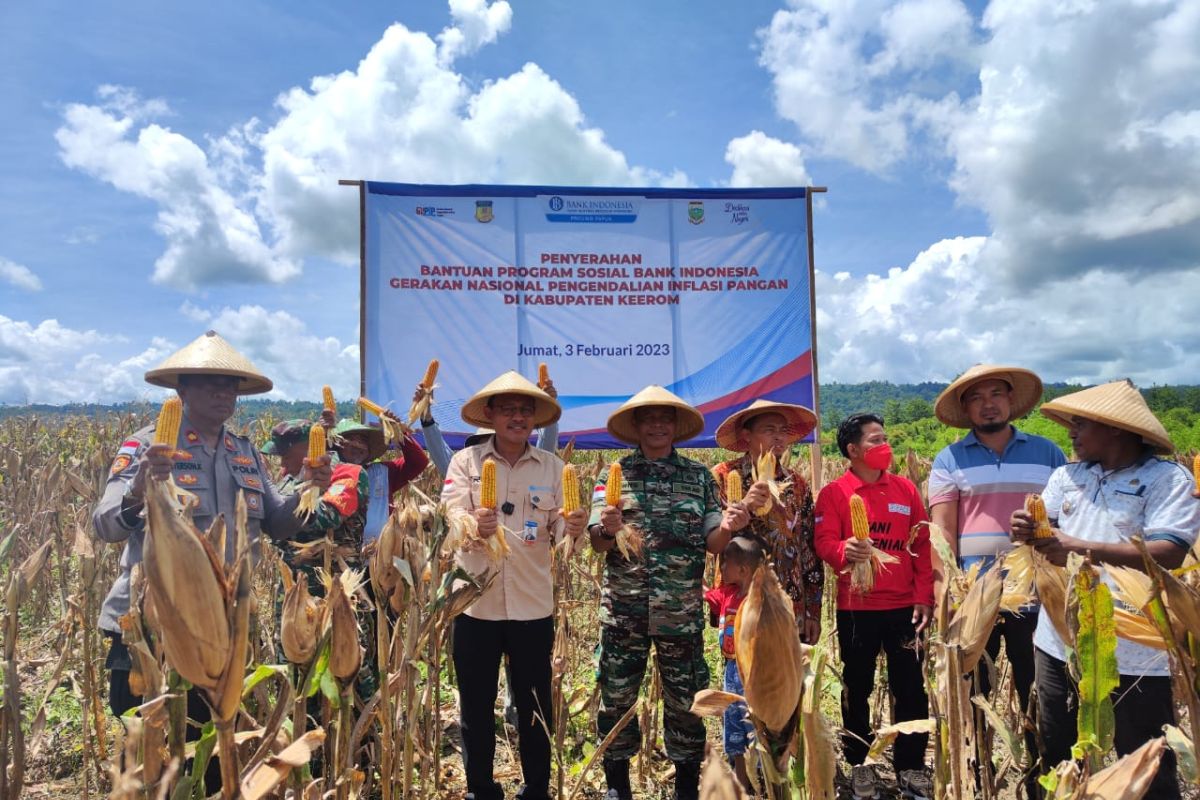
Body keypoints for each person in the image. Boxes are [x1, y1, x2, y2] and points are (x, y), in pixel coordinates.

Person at [92, 331, 331, 788]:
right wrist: (141, 488)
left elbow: (279, 525)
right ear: (181, 390)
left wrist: (307, 486)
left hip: (222, 627)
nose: (224, 393)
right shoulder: (145, 447)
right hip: (149, 627)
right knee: (143, 762)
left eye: (230, 385)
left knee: (210, 753)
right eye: (209, 384)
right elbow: (105, 525)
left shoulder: (246, 453)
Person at [1010, 380, 1199, 800]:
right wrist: (1028, 527)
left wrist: (1080, 549)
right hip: (1058, 638)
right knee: (1055, 751)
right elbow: (1049, 529)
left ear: (1114, 427)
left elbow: (1169, 550)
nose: (1071, 432)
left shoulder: (1166, 479)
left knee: (1144, 762)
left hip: (1134, 646)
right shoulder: (1066, 475)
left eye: (1080, 424)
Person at [589, 385, 758, 800]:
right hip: (623, 613)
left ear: (676, 427)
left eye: (666, 418)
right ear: (637, 426)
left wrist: (733, 525)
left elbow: (715, 543)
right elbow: (596, 541)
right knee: (616, 698)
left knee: (686, 703)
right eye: (649, 418)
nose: (658, 425)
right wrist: (607, 530)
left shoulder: (698, 477)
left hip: (680, 614)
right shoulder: (614, 474)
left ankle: (686, 788)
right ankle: (617, 788)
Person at [441, 371, 587, 800]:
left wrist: (573, 526)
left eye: (526, 410)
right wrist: (472, 524)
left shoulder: (553, 467)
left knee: (535, 709)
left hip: (532, 608)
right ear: (490, 415)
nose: (517, 418)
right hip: (475, 607)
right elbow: (449, 517)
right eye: (508, 409)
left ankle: (536, 789)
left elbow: (561, 533)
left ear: (536, 419)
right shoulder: (464, 464)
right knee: (476, 707)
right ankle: (481, 789)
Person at [927, 364, 1065, 795]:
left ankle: (1042, 777)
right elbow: (943, 532)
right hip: (974, 595)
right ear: (966, 408)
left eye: (996, 394)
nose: (988, 404)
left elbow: (1066, 520)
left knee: (1039, 690)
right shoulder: (950, 459)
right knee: (974, 693)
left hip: (1038, 595)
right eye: (977, 397)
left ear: (1010, 400)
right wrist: (943, 594)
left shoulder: (1048, 454)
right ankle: (976, 773)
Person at [813, 413, 933, 800]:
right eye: (875, 440)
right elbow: (824, 541)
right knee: (857, 686)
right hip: (856, 608)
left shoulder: (905, 491)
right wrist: (842, 550)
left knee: (911, 689)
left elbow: (922, 547)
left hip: (903, 609)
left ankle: (911, 766)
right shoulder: (835, 493)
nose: (885, 446)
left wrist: (924, 597)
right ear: (852, 450)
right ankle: (860, 763)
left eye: (885, 438)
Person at [712, 399, 823, 643]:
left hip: (790, 602)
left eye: (783, 431)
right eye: (769, 430)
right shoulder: (722, 476)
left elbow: (809, 550)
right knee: (742, 678)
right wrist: (746, 506)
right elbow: (712, 538)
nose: (779, 438)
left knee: (789, 679)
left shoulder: (798, 484)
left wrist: (813, 610)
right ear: (746, 435)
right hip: (741, 601)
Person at [704, 537, 765, 793]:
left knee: (756, 724)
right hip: (732, 672)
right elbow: (707, 593)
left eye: (725, 563)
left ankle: (761, 781)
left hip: (756, 675)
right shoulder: (727, 593)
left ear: (743, 570)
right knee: (734, 726)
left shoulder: (761, 600)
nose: (721, 568)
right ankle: (741, 781)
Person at [417, 378, 560, 478]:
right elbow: (441, 454)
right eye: (486, 444)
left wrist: (548, 403)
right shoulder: (467, 471)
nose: (492, 449)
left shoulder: (534, 468)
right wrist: (425, 416)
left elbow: (547, 444)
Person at [328, 416, 428, 544]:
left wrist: (399, 432)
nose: (358, 445)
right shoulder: (325, 474)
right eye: (351, 439)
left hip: (380, 558)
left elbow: (418, 462)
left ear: (369, 450)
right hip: (338, 558)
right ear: (338, 445)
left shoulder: (383, 472)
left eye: (363, 441)